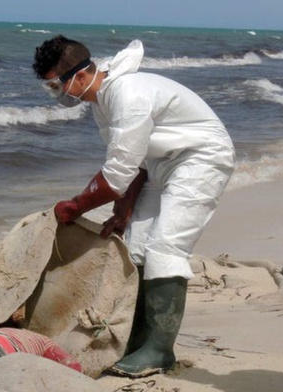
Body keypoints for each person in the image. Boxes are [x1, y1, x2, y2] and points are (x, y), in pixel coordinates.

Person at [32, 36, 235, 378]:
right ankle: (138, 338)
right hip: (160, 165)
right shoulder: (102, 101)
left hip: (200, 158)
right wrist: (123, 212)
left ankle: (160, 350)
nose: (57, 93)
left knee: (165, 246)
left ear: (80, 76)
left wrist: (74, 207)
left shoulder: (128, 95)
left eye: (56, 84)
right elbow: (134, 163)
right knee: (137, 248)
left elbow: (114, 176)